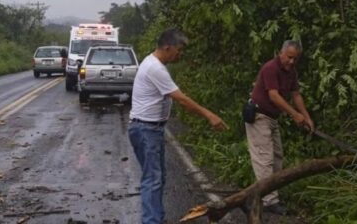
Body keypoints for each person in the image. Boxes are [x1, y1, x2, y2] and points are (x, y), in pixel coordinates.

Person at [128, 28, 228, 224]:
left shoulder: (154, 64)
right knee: (153, 179)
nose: (179, 55)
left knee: (157, 177)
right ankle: (152, 221)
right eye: (178, 50)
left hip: (149, 129)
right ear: (167, 47)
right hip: (146, 130)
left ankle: (155, 218)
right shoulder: (154, 68)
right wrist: (209, 115)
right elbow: (182, 99)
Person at [245, 40, 314, 215]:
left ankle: (264, 193)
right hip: (259, 116)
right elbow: (274, 96)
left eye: (295, 59)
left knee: (277, 157)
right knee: (264, 158)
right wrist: (294, 115)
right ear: (281, 53)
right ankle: (269, 201)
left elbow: (296, 94)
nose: (291, 62)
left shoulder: (291, 72)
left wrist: (306, 117)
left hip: (273, 118)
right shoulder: (270, 68)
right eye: (289, 57)